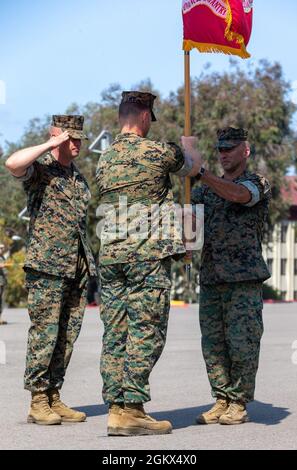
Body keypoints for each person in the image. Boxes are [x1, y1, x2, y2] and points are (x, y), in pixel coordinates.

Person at [96, 91, 201, 436]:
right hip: (146, 257)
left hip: (111, 258)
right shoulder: (157, 152)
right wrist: (189, 143)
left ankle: (116, 407)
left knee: (115, 333)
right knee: (146, 331)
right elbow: (193, 166)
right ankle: (133, 410)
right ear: (144, 117)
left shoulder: (104, 159)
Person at [6, 115, 98, 425]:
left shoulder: (77, 177)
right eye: (68, 138)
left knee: (67, 335)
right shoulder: (40, 170)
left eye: (78, 139)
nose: (75, 144)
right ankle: (37, 400)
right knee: (44, 334)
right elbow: (11, 164)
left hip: (76, 267)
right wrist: (48, 144)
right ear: (55, 136)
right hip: (46, 266)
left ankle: (53, 395)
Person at [190, 127, 271, 425]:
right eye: (220, 149)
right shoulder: (201, 191)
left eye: (230, 149)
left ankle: (238, 401)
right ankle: (221, 397)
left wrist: (202, 174)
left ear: (245, 151)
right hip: (211, 277)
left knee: (243, 342)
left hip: (243, 279)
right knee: (213, 344)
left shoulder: (257, 183)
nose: (224, 154)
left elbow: (239, 196)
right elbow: (189, 228)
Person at [0, 243, 7, 325]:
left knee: (1, 301)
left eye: (2, 248)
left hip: (2, 282)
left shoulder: (2, 257)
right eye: (0, 248)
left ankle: (0, 318)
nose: (1, 250)